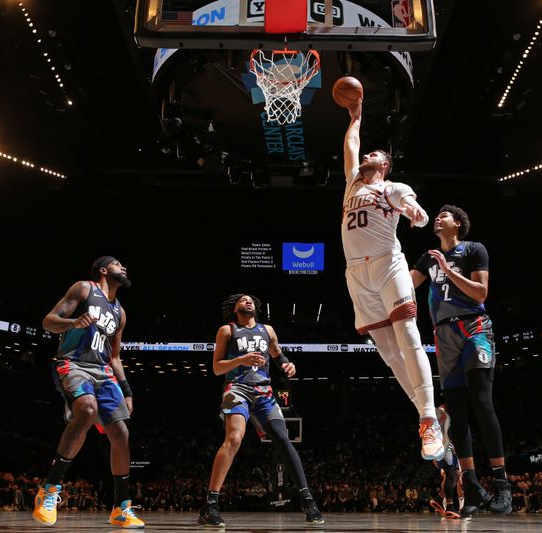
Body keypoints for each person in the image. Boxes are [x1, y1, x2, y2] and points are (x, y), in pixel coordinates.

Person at [341, 99, 444, 462]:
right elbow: (351, 146)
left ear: (384, 165)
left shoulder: (394, 188)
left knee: (409, 336)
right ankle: (426, 410)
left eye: (375, 154)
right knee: (388, 354)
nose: (366, 154)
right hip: (356, 274)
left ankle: (429, 420)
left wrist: (416, 214)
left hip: (388, 266)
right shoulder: (353, 183)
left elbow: (416, 207)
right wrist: (355, 117)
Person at [410, 205, 511, 516]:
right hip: (443, 334)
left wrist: (449, 270)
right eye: (437, 215)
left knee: (482, 402)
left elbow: (481, 293)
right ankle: (473, 485)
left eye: (445, 215)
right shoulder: (427, 258)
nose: (438, 217)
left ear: (458, 224)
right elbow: (404, 287)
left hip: (474, 327)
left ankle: (502, 483)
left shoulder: (473, 249)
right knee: (456, 413)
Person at [33, 256, 144, 528]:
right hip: (73, 363)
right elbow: (48, 321)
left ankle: (121, 508)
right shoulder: (84, 288)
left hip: (103, 371)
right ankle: (49, 490)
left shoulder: (120, 311)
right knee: (87, 409)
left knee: (121, 433)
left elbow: (115, 356)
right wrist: (73, 323)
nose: (125, 267)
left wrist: (127, 390)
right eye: (119, 264)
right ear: (104, 270)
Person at [198, 294, 323, 527]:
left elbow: (278, 355)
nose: (248, 302)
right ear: (234, 308)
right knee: (234, 438)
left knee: (284, 440)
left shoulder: (268, 330)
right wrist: (241, 360)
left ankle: (307, 500)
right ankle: (211, 503)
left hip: (264, 392)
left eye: (251, 300)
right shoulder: (227, 330)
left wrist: (287, 364)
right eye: (243, 300)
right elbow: (216, 368)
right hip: (237, 389)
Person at [428, 405, 466, 519]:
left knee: (452, 476)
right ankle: (448, 504)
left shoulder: (439, 419)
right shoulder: (443, 417)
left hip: (442, 450)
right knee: (455, 476)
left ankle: (442, 501)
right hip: (446, 450)